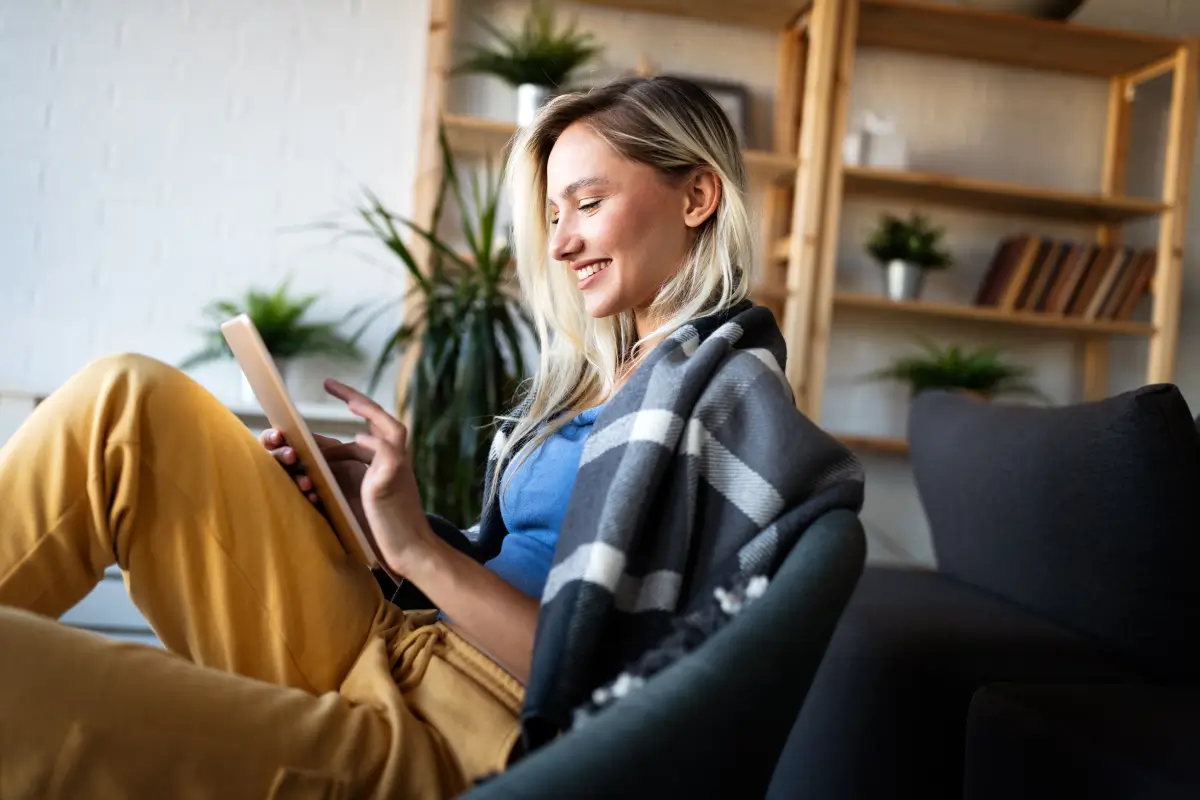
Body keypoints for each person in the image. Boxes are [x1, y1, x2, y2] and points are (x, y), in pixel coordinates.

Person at [0, 76, 861, 799]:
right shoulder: (619, 382)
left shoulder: (731, 402)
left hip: (462, 734)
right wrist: (382, 525)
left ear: (698, 195)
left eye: (587, 204)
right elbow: (511, 564)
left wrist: (417, 552)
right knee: (128, 402)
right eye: (553, 214)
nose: (559, 243)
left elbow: (619, 687)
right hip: (402, 637)